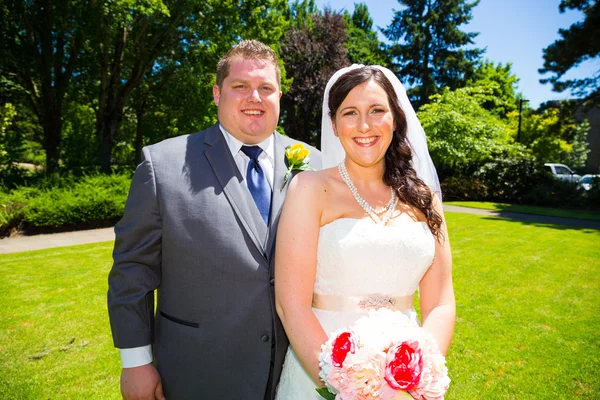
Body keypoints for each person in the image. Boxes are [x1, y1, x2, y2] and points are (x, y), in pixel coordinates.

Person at [107, 39, 321, 400]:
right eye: (240, 86)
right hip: (199, 371)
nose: (255, 97)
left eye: (266, 88)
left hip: (297, 371)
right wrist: (136, 362)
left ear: (279, 97)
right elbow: (132, 271)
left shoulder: (315, 164)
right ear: (217, 93)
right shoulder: (162, 165)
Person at [274, 65, 455, 399]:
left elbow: (441, 304)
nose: (364, 126)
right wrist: (349, 389)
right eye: (350, 113)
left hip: (405, 376)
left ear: (396, 118)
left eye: (377, 110)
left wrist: (418, 373)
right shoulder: (309, 188)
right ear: (334, 124)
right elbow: (291, 305)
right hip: (320, 368)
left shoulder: (425, 199)